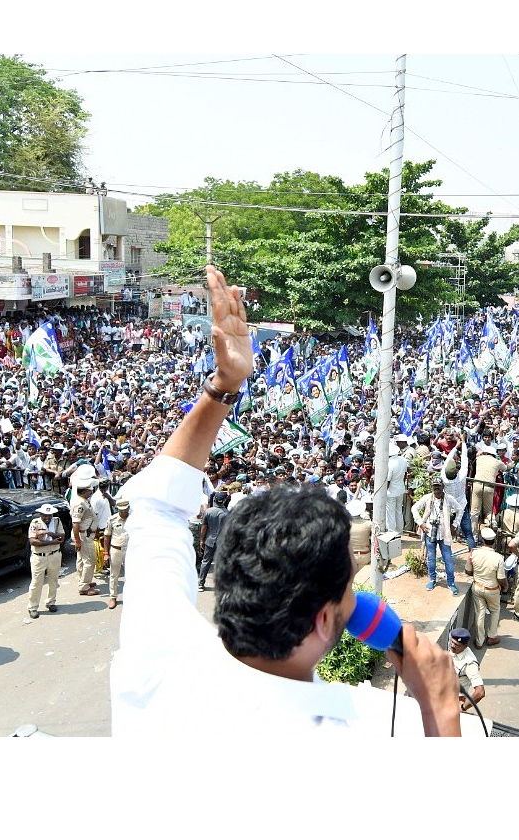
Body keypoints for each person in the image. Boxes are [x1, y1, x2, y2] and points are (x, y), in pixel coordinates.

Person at [110, 266, 462, 737]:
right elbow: (161, 509)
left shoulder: (157, 662)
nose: (356, 600)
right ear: (323, 619)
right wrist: (440, 711)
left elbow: (156, 508)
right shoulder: (368, 729)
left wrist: (224, 385)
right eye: (348, 588)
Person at [412, 477, 460, 595]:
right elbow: (414, 508)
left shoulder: (449, 499)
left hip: (444, 534)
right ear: (431, 487)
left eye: (438, 486)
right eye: (435, 486)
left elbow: (460, 509)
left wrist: (455, 524)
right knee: (431, 558)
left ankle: (451, 582)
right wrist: (421, 523)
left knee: (448, 559)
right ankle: (432, 579)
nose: (437, 489)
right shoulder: (427, 498)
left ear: (443, 487)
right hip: (430, 532)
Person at [465, 527, 506, 648]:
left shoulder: (474, 553)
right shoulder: (498, 558)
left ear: (482, 540)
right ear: (494, 541)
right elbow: (501, 578)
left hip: (477, 587)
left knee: (480, 613)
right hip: (492, 590)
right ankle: (492, 637)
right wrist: (505, 587)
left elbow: (468, 571)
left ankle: (479, 641)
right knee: (495, 611)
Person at [26, 503, 64, 619]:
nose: (47, 518)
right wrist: (52, 541)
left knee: (53, 580)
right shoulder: (35, 523)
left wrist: (48, 533)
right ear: (40, 514)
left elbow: (62, 537)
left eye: (49, 515)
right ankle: (33, 607)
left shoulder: (57, 521)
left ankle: (51, 602)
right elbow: (33, 541)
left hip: (54, 555)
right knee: (36, 582)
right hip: (39, 557)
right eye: (45, 515)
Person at [71, 480, 101, 596]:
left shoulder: (83, 500)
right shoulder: (80, 503)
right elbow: (75, 523)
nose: (91, 492)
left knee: (82, 559)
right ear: (84, 491)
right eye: (89, 491)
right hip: (83, 535)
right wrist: (78, 541)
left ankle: (83, 580)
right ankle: (84, 586)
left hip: (84, 534)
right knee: (89, 560)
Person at [448, 628, 484, 713]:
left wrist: (462, 708)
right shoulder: (455, 649)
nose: (452, 646)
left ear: (465, 646)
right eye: (452, 642)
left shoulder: (469, 663)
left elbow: (480, 692)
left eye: (457, 645)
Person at [198, 491, 228, 592]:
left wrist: (202, 540)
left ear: (214, 500)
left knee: (205, 562)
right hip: (223, 542)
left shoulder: (208, 512)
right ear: (224, 500)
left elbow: (204, 528)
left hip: (209, 541)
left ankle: (201, 584)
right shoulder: (228, 513)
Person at [105, 499, 131, 610]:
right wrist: (106, 553)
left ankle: (131, 597)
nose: (124, 513)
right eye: (121, 511)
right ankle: (113, 597)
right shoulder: (112, 520)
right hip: (116, 549)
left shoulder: (134, 519)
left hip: (130, 550)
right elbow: (107, 536)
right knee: (114, 574)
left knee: (131, 575)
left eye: (125, 510)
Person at [385, 436, 409, 533]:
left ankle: (391, 532)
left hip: (391, 491)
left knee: (390, 513)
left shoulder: (389, 463)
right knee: (399, 511)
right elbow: (405, 475)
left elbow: (388, 480)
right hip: (400, 489)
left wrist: (385, 492)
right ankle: (399, 531)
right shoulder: (403, 460)